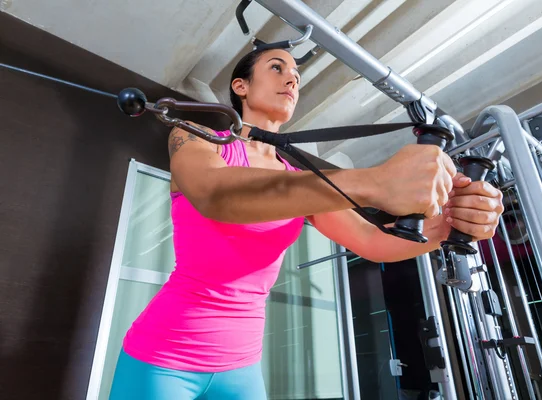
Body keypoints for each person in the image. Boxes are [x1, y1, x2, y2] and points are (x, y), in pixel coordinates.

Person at [109, 48, 503, 400]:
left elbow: (371, 240)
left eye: (296, 77)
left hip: (242, 366)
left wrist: (450, 224)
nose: (291, 80)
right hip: (164, 357)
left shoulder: (298, 176)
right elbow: (217, 194)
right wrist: (375, 182)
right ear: (240, 86)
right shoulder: (198, 139)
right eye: (277, 67)